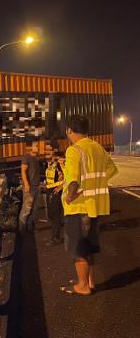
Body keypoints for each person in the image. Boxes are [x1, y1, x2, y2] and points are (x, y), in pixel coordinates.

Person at [60, 115, 118, 295]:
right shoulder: (97, 147)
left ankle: (82, 286)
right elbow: (112, 169)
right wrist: (96, 184)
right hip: (95, 207)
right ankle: (89, 281)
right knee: (88, 246)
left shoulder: (74, 150)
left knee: (79, 249)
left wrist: (70, 196)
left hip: (79, 207)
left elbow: (73, 179)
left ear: (69, 130)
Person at [19, 141, 41, 232]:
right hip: (30, 187)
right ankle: (22, 229)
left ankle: (30, 227)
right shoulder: (26, 158)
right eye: (36, 146)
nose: (38, 147)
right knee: (26, 209)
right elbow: (23, 171)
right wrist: (26, 184)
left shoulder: (36, 158)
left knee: (34, 209)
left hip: (36, 186)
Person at [45, 150, 64, 245]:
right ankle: (54, 236)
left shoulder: (58, 165)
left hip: (56, 193)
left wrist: (59, 188)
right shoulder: (49, 165)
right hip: (50, 192)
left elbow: (67, 177)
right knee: (51, 215)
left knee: (55, 215)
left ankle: (55, 238)